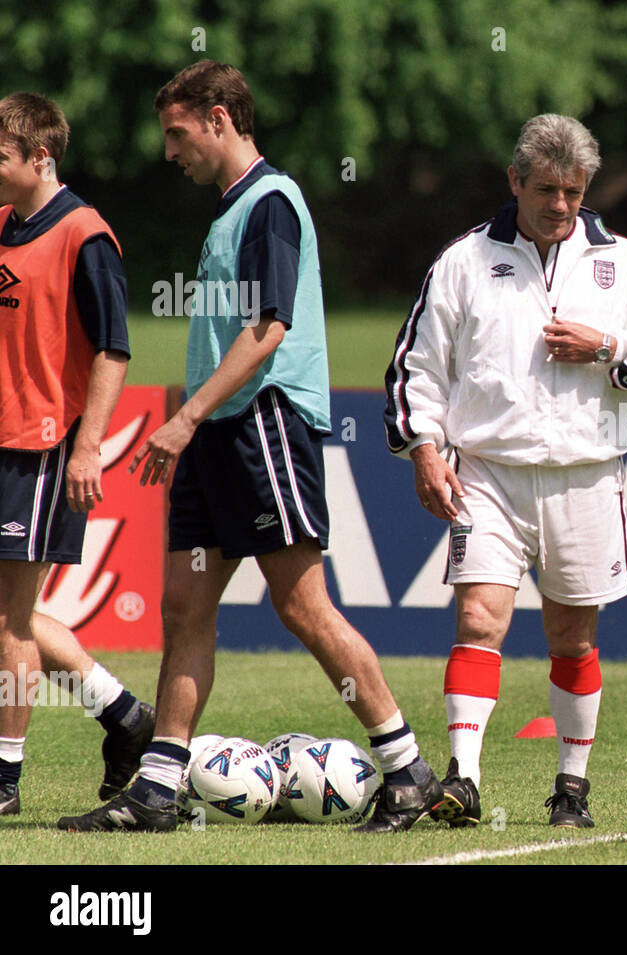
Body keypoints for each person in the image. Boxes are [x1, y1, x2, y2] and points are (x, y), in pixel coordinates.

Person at [58, 61, 442, 833]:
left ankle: (407, 770)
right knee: (184, 603)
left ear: (222, 118)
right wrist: (196, 424)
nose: (170, 151)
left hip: (260, 422)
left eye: (178, 132)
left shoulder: (271, 203)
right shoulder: (230, 212)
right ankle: (158, 787)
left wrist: (185, 416)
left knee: (301, 604)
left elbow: (268, 332)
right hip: (215, 432)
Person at [385, 113, 627, 828]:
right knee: (477, 617)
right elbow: (414, 367)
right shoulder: (462, 261)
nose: (561, 205)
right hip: (485, 472)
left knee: (572, 639)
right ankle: (464, 778)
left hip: (586, 474)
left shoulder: (622, 262)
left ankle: (571, 788)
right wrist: (424, 449)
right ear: (515, 181)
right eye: (547, 189)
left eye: (574, 191)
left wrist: (607, 345)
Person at [0, 92, 155, 816]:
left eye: (1, 156)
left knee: (11, 620)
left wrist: (86, 446)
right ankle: (123, 714)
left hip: (37, 446)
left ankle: (3, 779)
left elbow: (114, 351)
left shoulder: (84, 234)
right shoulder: (3, 222)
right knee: (9, 615)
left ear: (41, 156)